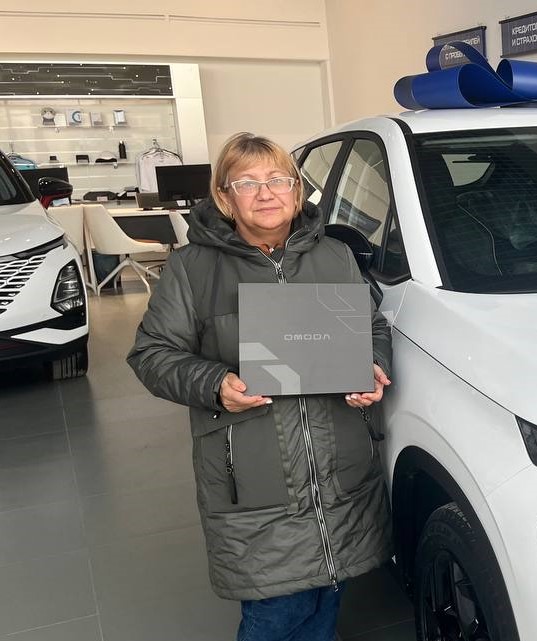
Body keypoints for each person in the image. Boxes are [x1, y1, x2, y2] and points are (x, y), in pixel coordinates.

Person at [128, 132, 394, 640]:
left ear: (297, 190)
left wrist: (371, 365)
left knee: (327, 596)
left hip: (338, 472)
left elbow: (372, 326)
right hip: (256, 481)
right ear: (224, 198)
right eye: (247, 183)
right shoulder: (192, 268)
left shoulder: (335, 255)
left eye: (277, 179)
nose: (266, 193)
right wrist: (215, 382)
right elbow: (151, 354)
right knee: (277, 611)